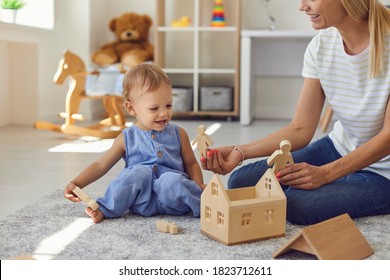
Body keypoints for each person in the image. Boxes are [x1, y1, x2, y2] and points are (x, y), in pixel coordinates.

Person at [202, 0, 390, 226]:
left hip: (384, 171)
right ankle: (347, 180)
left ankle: (353, 183)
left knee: (296, 204)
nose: (302, 7)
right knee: (243, 182)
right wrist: (239, 151)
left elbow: (387, 138)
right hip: (340, 147)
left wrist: (326, 174)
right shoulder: (320, 46)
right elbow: (300, 128)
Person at [64, 63, 205, 223]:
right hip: (141, 201)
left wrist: (198, 185)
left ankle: (205, 206)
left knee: (170, 180)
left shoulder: (179, 133)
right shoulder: (126, 138)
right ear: (131, 109)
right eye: (154, 108)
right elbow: (100, 165)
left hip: (174, 199)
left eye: (168, 105)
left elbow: (191, 164)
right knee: (137, 173)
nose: (164, 113)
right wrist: (77, 183)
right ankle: (106, 209)